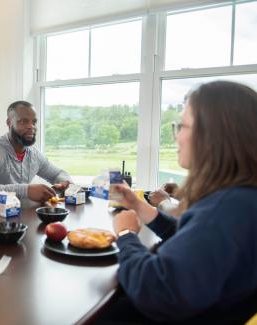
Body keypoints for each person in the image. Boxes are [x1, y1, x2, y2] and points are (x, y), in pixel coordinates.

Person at [98, 80, 257, 324]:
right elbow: (193, 242)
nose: (176, 136)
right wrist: (139, 205)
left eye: (182, 126)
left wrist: (126, 234)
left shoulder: (224, 210)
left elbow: (156, 291)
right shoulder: (241, 200)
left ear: (213, 136)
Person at [0, 100, 72, 202]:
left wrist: (65, 182)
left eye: (34, 122)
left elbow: (58, 174)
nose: (31, 127)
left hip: (20, 215)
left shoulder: (34, 154)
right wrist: (26, 191)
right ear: (9, 123)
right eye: (24, 121)